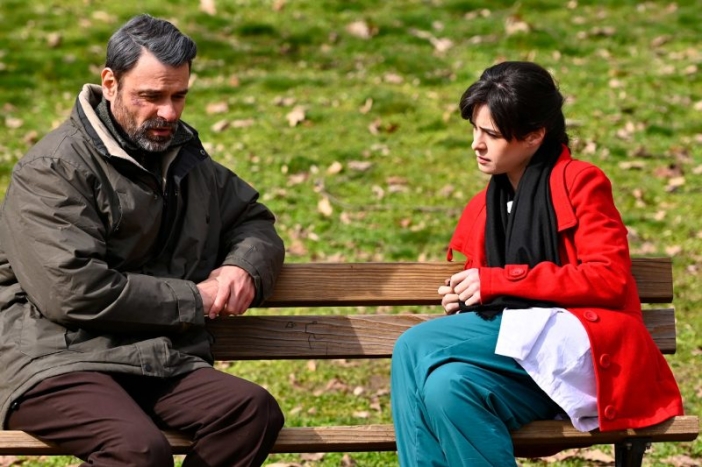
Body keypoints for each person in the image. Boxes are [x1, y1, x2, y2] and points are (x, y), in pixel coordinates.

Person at [0, 14, 286, 467]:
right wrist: (195, 298)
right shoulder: (52, 169)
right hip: (56, 359)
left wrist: (242, 266)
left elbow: (253, 220)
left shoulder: (186, 161)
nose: (168, 112)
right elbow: (72, 291)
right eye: (151, 97)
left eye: (179, 96)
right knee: (138, 450)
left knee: (250, 412)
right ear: (110, 83)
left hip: (157, 358)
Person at [390, 61, 684, 466]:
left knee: (415, 344)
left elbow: (609, 279)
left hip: (580, 356)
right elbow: (492, 294)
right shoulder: (484, 207)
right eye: (475, 130)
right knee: (447, 388)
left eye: (491, 134)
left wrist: (498, 281)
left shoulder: (580, 183)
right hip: (523, 367)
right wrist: (467, 298)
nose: (477, 144)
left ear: (534, 134)